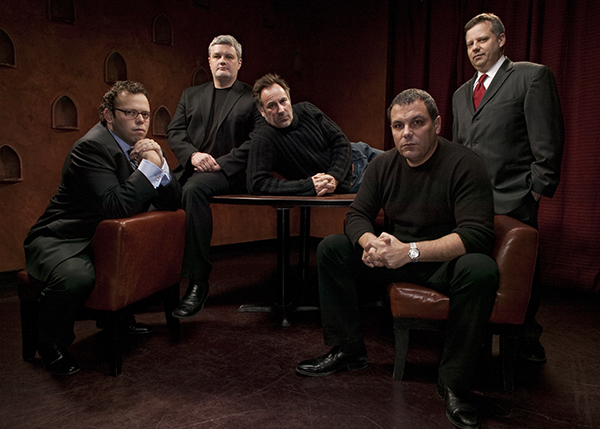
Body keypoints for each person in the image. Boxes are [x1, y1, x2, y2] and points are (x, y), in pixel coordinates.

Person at [296, 89, 498, 429]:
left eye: (417, 123)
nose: (407, 133)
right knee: (332, 248)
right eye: (398, 125)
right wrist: (371, 243)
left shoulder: (465, 164)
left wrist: (410, 252)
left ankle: (454, 383)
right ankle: (348, 350)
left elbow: (477, 234)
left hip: (440, 264)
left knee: (480, 268)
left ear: (437, 124)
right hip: (393, 260)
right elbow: (356, 215)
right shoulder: (383, 164)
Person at [24, 81, 181, 376]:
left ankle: (121, 319)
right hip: (66, 236)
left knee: (130, 259)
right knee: (77, 277)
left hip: (105, 237)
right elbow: (115, 206)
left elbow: (173, 202)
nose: (140, 121)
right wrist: (150, 164)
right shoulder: (91, 147)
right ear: (109, 115)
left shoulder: (142, 148)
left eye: (145, 114)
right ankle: (49, 342)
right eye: (130, 113)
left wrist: (160, 163)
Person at [452, 13, 564, 364]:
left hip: (516, 197)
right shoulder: (460, 94)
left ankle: (526, 340)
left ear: (501, 40)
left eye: (482, 40)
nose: (475, 48)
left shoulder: (531, 77)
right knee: (477, 268)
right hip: (471, 202)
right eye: (470, 44)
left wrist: (533, 193)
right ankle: (476, 337)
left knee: (520, 273)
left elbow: (547, 143)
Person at [166, 35, 264, 319]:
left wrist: (220, 164)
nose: (223, 60)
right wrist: (193, 156)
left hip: (232, 173)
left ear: (239, 63)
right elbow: (175, 132)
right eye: (217, 56)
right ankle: (152, 283)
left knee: (193, 190)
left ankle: (198, 282)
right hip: (192, 168)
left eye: (229, 56)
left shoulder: (252, 97)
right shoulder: (190, 95)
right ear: (209, 62)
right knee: (152, 192)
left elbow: (258, 140)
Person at [247, 73, 382, 195]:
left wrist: (334, 177)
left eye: (283, 101)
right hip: (352, 180)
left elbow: (341, 141)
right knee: (393, 184)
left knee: (395, 159)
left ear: (289, 99)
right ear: (262, 111)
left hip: (357, 153)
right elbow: (256, 183)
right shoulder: (263, 138)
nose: (281, 110)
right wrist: (307, 186)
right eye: (272, 105)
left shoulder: (306, 109)